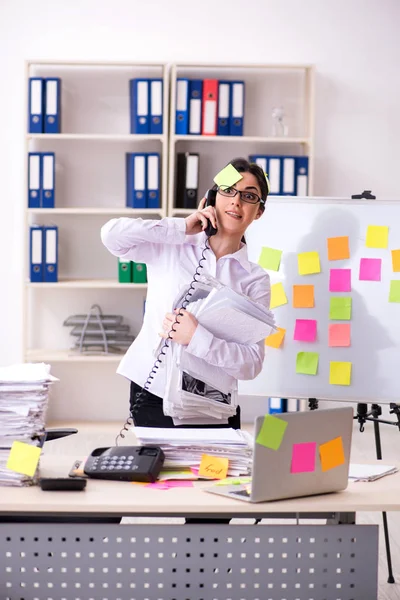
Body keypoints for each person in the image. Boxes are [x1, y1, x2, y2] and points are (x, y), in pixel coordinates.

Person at [101, 157, 271, 431]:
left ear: (259, 212)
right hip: (153, 392)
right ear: (211, 198)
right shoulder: (171, 245)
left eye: (249, 196)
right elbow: (111, 236)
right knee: (160, 473)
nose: (236, 202)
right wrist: (181, 227)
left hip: (214, 403)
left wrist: (197, 338)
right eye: (228, 190)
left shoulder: (255, 279)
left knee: (219, 475)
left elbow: (251, 364)